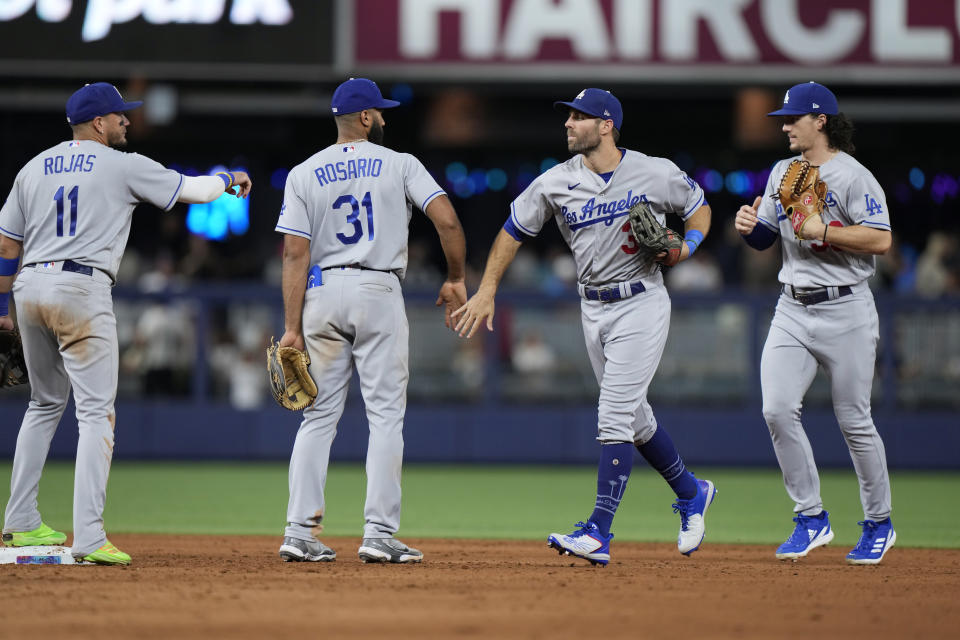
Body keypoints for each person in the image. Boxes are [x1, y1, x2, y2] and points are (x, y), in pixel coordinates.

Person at [453, 88, 716, 566]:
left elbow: (699, 207)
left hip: (641, 300)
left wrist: (688, 246)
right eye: (568, 117)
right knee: (634, 420)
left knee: (613, 414)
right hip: (592, 308)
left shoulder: (653, 171)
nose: (568, 124)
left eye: (579, 117)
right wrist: (487, 288)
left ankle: (598, 531)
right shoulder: (556, 182)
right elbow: (512, 231)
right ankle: (691, 491)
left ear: (606, 125)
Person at [0, 82, 251, 564]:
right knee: (96, 413)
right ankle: (89, 536)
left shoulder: (32, 168)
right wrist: (231, 177)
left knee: (44, 403)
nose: (127, 122)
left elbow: (7, 247)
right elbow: (197, 191)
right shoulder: (121, 164)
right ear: (99, 123)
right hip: (80, 288)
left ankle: (20, 522)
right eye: (120, 116)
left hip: (29, 287)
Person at [275, 77, 466, 564]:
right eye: (379, 112)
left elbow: (295, 253)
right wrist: (456, 277)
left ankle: (299, 531)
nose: (384, 118)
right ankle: (379, 533)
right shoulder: (400, 163)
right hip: (378, 289)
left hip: (321, 292)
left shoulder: (304, 172)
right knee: (384, 416)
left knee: (318, 417)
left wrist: (292, 326)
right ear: (364, 117)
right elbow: (446, 219)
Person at [734, 82, 895, 565]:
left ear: (820, 120)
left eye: (793, 118)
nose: (784, 126)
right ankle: (810, 518)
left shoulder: (853, 176)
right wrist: (751, 226)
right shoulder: (784, 170)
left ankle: (879, 523)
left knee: (854, 421)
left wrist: (824, 229)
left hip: (846, 309)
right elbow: (768, 239)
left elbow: (881, 240)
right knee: (777, 410)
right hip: (792, 307)